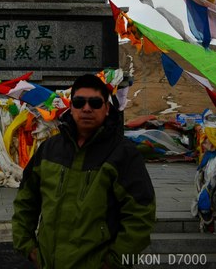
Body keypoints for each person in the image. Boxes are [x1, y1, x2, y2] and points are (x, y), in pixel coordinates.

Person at [12, 73, 156, 268]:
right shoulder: (49, 149)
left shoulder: (123, 154)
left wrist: (113, 262)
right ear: (71, 107)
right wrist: (28, 247)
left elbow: (141, 214)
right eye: (79, 102)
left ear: (107, 108)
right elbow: (26, 200)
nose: (86, 108)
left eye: (95, 103)